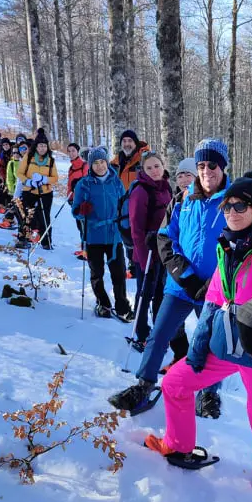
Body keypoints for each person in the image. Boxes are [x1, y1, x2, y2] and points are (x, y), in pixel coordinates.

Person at [144, 176, 252, 502]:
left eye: (241, 205)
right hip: (227, 343)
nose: (232, 211)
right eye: (228, 205)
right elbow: (213, 297)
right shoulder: (226, 245)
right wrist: (198, 346)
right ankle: (177, 444)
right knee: (176, 382)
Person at [109, 138, 230, 418]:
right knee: (159, 334)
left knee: (213, 341)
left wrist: (214, 283)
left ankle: (210, 393)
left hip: (215, 289)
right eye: (201, 165)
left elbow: (241, 245)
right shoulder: (183, 199)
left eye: (212, 165)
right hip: (181, 284)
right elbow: (166, 238)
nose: (206, 170)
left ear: (223, 166)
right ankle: (144, 384)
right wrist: (185, 276)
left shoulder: (234, 201)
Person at [72, 146, 134, 321]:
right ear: (90, 166)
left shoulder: (116, 182)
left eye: (102, 162)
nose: (100, 166)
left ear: (107, 162)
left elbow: (124, 206)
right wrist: (81, 210)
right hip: (94, 236)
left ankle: (122, 305)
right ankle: (103, 304)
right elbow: (75, 211)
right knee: (96, 273)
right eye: (96, 163)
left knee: (119, 273)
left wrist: (126, 226)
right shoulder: (84, 184)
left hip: (114, 236)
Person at [128, 151, 172, 349]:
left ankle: (157, 330)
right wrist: (146, 257)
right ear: (143, 170)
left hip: (164, 252)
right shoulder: (140, 192)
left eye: (157, 166)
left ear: (163, 166)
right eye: (149, 168)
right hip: (145, 255)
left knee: (161, 294)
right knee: (144, 294)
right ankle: (141, 332)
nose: (155, 171)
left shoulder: (166, 188)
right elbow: (136, 230)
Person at [160, 157, 198, 373]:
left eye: (188, 175)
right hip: (176, 271)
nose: (184, 179)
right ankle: (180, 355)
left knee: (205, 327)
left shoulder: (205, 202)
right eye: (180, 175)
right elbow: (167, 233)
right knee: (172, 324)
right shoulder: (175, 201)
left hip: (201, 278)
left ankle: (202, 376)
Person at [111, 129, 150, 277]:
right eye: (124, 141)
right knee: (126, 232)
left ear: (136, 143)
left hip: (140, 201)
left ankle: (143, 263)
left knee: (140, 234)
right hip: (122, 203)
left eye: (130, 141)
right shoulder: (116, 161)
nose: (127, 144)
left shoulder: (143, 159)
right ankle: (133, 264)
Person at [16, 128, 59, 250]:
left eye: (44, 146)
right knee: (26, 215)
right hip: (29, 190)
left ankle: (46, 241)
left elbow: (55, 178)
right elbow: (19, 173)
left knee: (44, 216)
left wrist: (45, 179)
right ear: (36, 146)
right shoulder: (28, 157)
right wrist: (28, 181)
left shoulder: (50, 160)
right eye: (40, 146)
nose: (42, 149)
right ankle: (23, 239)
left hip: (45, 192)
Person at [67, 142, 89, 258]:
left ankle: (87, 251)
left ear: (78, 152)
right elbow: (69, 185)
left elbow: (87, 180)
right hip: (74, 200)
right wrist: (69, 198)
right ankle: (84, 249)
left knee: (84, 226)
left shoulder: (84, 165)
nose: (71, 153)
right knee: (80, 226)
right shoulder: (71, 167)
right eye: (69, 151)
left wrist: (79, 183)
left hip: (83, 200)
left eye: (73, 151)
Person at [0, 145, 22, 230]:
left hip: (23, 191)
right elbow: (9, 178)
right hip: (13, 191)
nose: (16, 154)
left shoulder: (23, 162)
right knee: (12, 208)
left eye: (18, 152)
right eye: (14, 152)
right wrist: (11, 191)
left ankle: (24, 232)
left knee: (20, 212)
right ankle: (9, 223)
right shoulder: (11, 163)